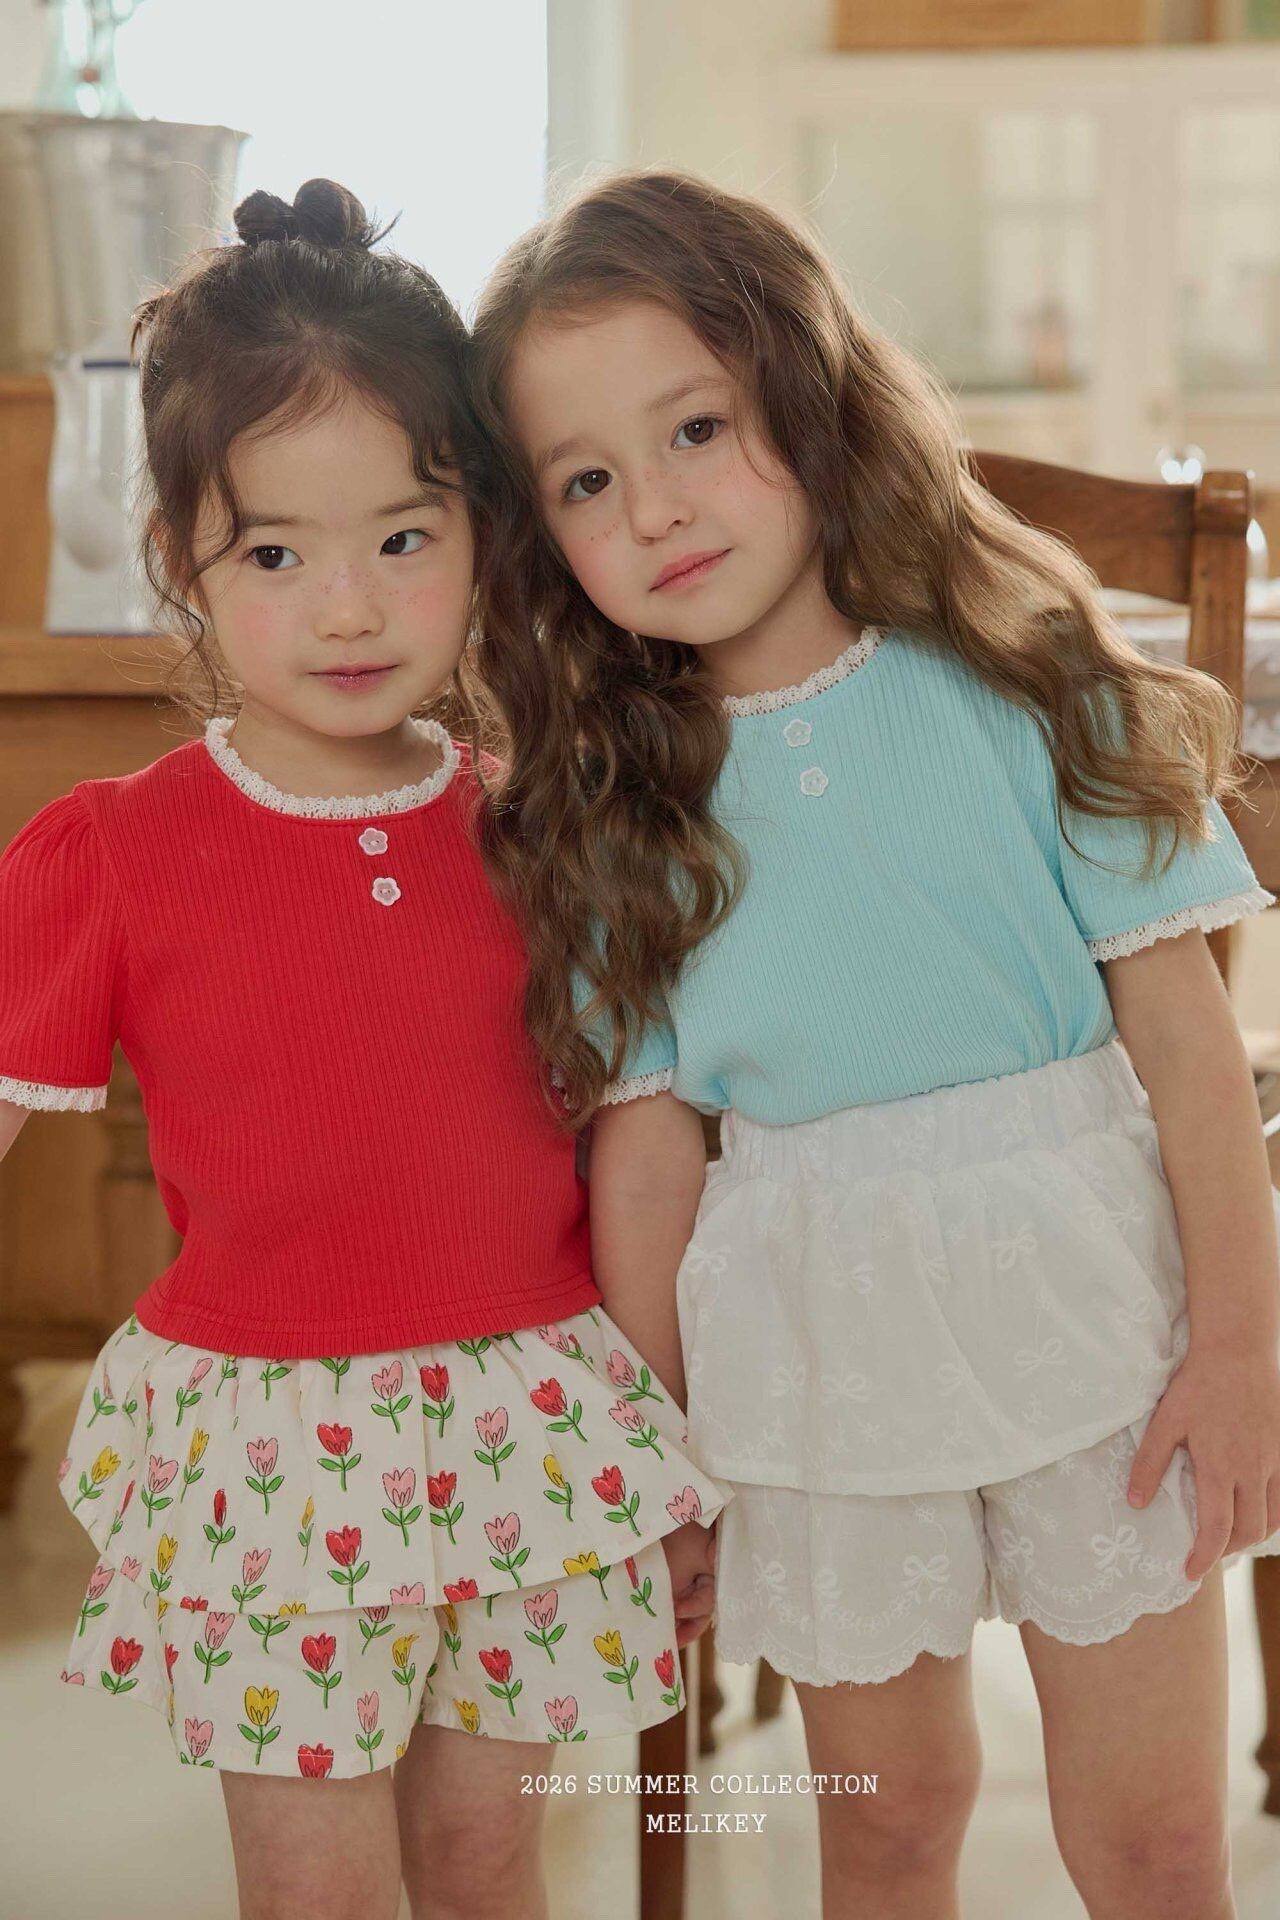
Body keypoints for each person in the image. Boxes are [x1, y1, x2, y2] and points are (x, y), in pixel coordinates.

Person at [466, 168, 1280, 1920]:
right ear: (543, 538)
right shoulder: (613, 812)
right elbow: (648, 1166)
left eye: (697, 428)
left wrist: (1240, 1344)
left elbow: (1190, 1046)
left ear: (808, 392)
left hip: (1093, 1308)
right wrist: (664, 1459)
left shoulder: (1026, 673)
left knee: (1154, 1842)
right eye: (587, 481)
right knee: (890, 1827)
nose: (657, 507)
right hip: (810, 1344)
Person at [0, 178, 723, 1920]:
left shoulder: (547, 831)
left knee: (486, 1862)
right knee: (312, 1888)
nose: (349, 609)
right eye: (275, 555)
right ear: (179, 558)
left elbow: (647, 1163)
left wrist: (668, 1453)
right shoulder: (114, 850)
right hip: (269, 1453)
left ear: (485, 534)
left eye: (404, 539)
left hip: (533, 1430)